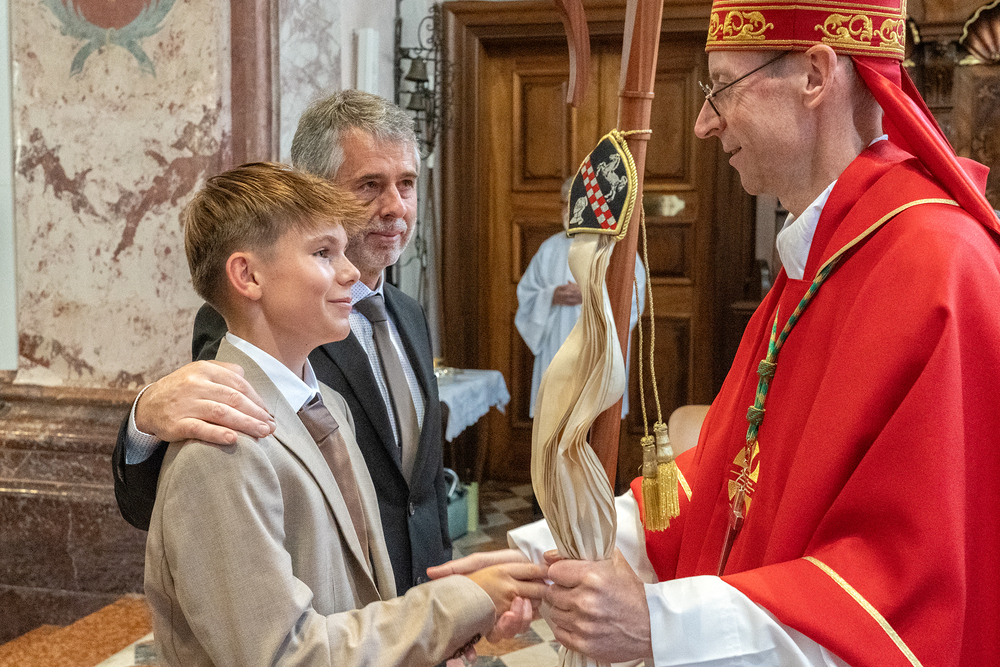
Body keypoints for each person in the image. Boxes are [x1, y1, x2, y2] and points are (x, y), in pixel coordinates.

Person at [433, 0, 1000, 664]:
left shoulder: (937, 269)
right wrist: (549, 554)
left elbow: (902, 595)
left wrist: (658, 625)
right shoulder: (823, 254)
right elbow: (733, 477)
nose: (703, 122)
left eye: (723, 85)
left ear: (815, 75)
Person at [145, 162, 546, 666]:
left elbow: (360, 595)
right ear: (248, 275)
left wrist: (445, 631)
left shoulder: (328, 405)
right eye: (323, 253)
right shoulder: (223, 445)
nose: (352, 272)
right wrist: (458, 603)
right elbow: (283, 655)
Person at [112, 90, 452, 595]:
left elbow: (420, 484)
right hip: (320, 601)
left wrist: (442, 587)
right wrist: (145, 419)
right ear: (316, 192)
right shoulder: (255, 320)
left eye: (406, 183)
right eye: (369, 185)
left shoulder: (408, 313)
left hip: (413, 599)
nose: (396, 206)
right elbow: (202, 473)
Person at [515, 177, 645, 418]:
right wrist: (551, 296)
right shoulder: (550, 248)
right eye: (564, 203)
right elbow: (527, 295)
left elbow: (634, 300)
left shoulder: (617, 250)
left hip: (599, 353)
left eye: (573, 202)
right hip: (556, 350)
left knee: (597, 424)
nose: (566, 210)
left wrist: (591, 295)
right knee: (556, 424)